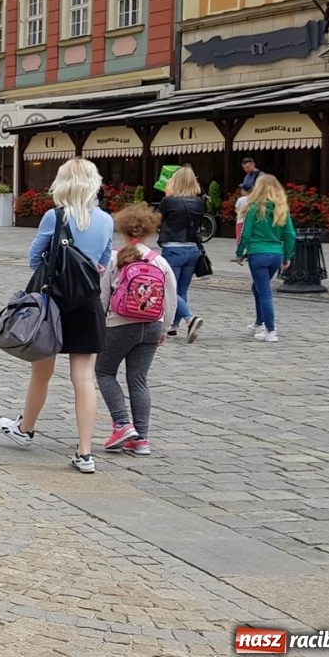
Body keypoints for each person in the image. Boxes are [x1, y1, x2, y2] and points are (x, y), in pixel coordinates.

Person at [0, 158, 115, 474]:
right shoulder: (106, 219)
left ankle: (26, 428)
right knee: (84, 378)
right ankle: (85, 452)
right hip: (87, 302)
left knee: (41, 372)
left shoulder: (55, 216)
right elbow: (104, 260)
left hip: (52, 303)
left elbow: (34, 258)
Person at [97, 203, 175, 458]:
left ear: (122, 230)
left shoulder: (115, 258)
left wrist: (99, 325)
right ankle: (142, 439)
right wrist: (164, 329)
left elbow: (103, 296)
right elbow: (171, 299)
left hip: (120, 324)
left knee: (104, 372)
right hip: (151, 325)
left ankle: (122, 423)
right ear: (150, 231)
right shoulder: (160, 261)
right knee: (139, 379)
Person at [236, 173, 296, 343]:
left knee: (264, 292)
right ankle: (259, 322)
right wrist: (287, 255)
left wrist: (239, 252)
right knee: (258, 287)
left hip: (258, 253)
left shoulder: (253, 208)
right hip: (276, 254)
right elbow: (290, 234)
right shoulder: (281, 209)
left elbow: (245, 234)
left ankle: (270, 329)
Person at [156, 166, 206, 342]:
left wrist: (167, 195)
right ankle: (173, 326)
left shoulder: (169, 201)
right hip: (192, 248)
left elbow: (157, 219)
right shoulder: (199, 202)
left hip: (174, 247)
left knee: (168, 287)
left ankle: (189, 318)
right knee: (181, 289)